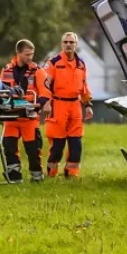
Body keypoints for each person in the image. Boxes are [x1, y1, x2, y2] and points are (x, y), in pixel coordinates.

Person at [0, 39, 51, 183]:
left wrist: (37, 105)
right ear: (18, 53)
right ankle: (14, 176)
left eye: (32, 54)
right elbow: (0, 91)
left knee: (33, 149)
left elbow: (45, 93)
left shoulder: (38, 72)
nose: (30, 58)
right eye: (27, 54)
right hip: (10, 117)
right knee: (9, 148)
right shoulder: (6, 70)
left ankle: (37, 176)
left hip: (29, 117)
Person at [43, 32, 92, 178]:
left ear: (76, 45)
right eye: (66, 42)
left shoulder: (81, 65)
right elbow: (45, 85)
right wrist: (46, 102)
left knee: (76, 143)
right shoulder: (53, 63)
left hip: (75, 105)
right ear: (61, 44)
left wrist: (88, 105)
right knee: (57, 144)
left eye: (71, 42)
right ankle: (51, 173)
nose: (68, 45)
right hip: (57, 104)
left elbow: (84, 87)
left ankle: (71, 175)